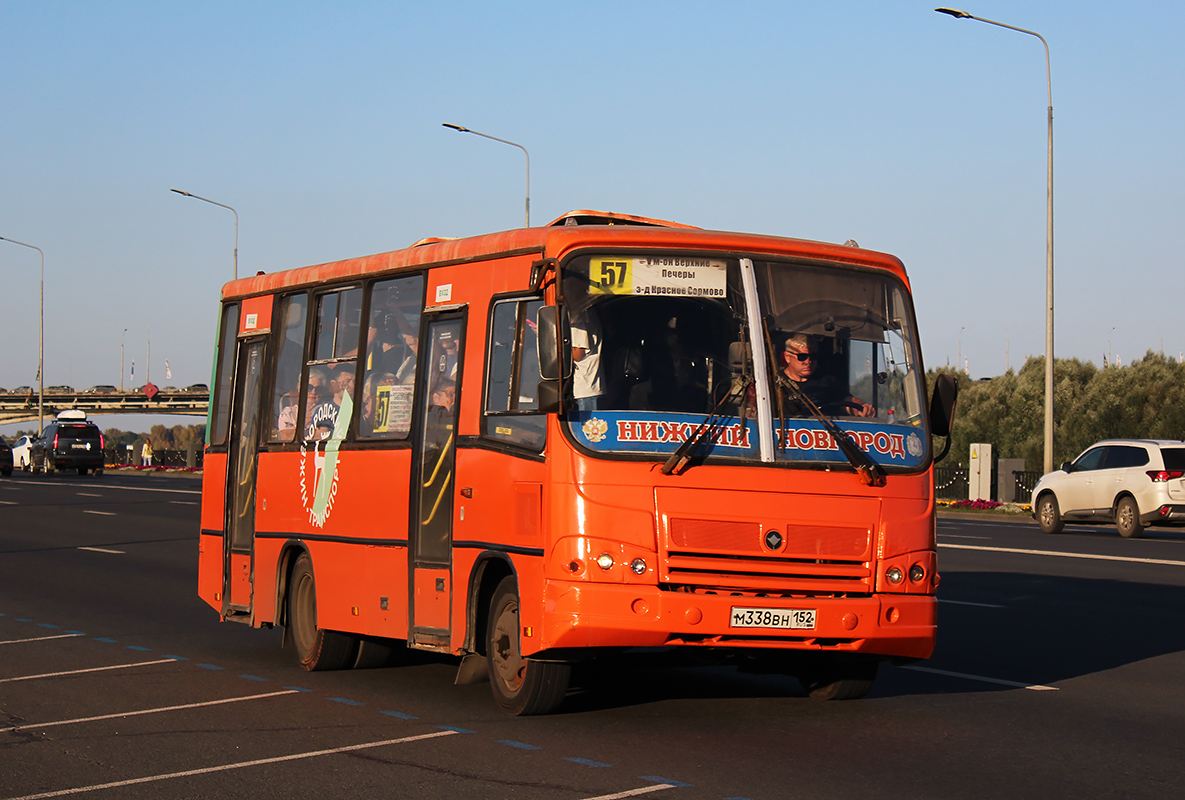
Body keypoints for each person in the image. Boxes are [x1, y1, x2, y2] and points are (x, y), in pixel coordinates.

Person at [779, 333, 874, 417]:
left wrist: (861, 408)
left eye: (813, 356)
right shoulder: (775, 384)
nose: (808, 361)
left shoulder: (827, 381)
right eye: (802, 357)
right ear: (787, 357)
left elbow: (847, 401)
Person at [570, 303, 603, 412]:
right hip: (591, 386)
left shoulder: (579, 321)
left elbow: (578, 355)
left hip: (584, 388)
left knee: (586, 425)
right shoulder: (589, 314)